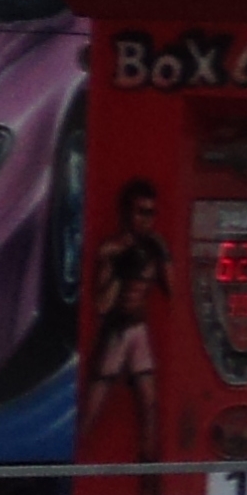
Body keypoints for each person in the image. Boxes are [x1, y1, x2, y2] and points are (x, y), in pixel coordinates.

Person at [82, 178, 168, 465]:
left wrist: (163, 255)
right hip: (116, 330)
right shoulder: (111, 250)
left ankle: (149, 474)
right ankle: (75, 463)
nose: (146, 219)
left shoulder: (153, 248)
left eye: (151, 213)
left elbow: (175, 291)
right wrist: (120, 271)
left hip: (139, 329)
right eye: (140, 212)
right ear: (127, 213)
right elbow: (102, 304)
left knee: (150, 403)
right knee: (94, 405)